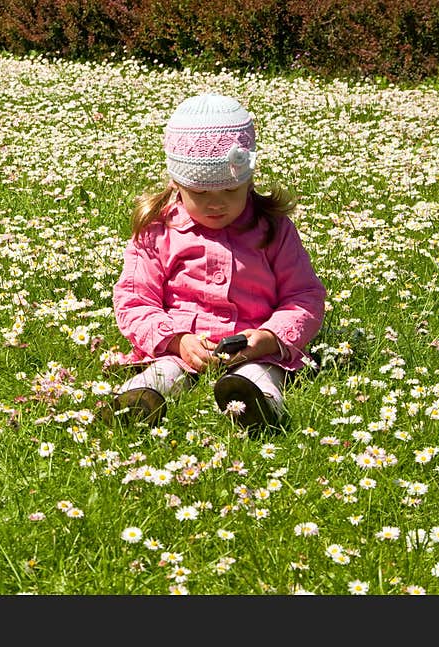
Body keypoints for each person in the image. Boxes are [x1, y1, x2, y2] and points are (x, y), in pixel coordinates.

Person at [110, 93, 325, 429]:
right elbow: (135, 301)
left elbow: (304, 296)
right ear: (177, 184)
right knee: (163, 372)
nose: (216, 205)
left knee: (258, 376)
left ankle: (259, 406)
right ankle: (136, 403)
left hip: (254, 348)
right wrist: (176, 340)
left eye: (230, 191)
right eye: (200, 193)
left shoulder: (272, 229)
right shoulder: (158, 231)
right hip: (179, 347)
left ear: (249, 180)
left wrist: (269, 337)